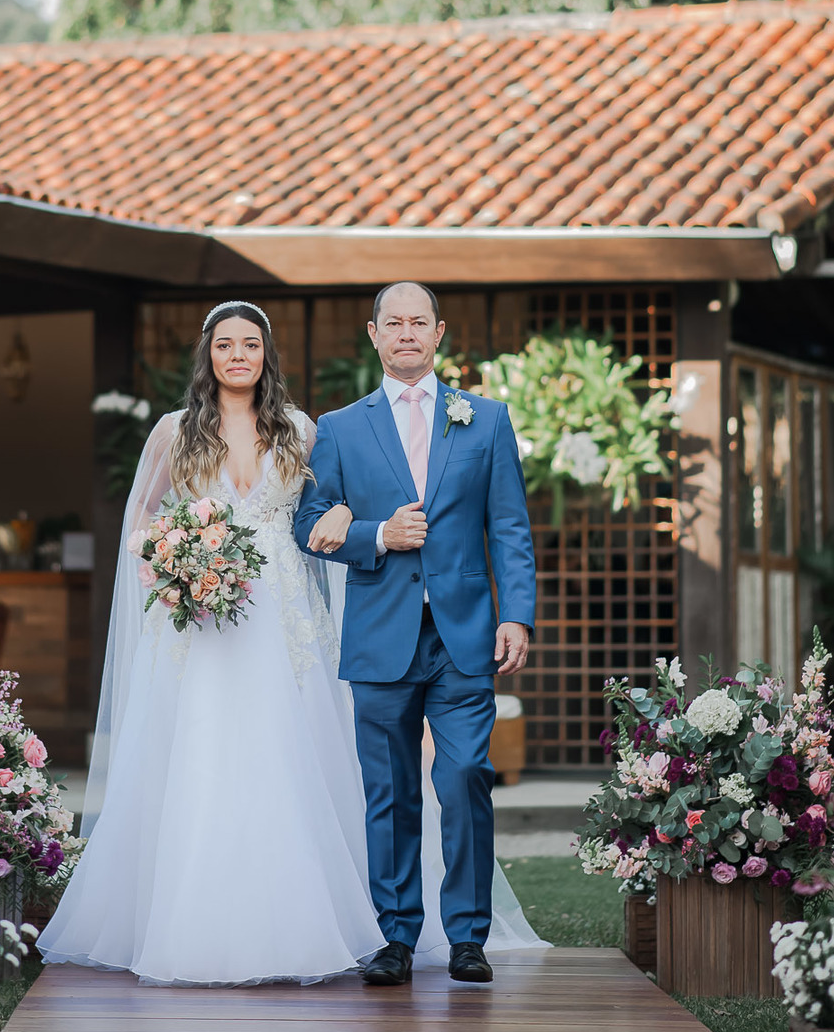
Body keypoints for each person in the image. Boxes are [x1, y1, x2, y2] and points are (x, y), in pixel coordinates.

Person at [37, 298, 542, 986]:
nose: (238, 355)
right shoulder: (176, 433)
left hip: (287, 624)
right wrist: (176, 556)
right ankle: (225, 924)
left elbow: (322, 513)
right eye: (225, 344)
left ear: (266, 354)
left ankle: (438, 934)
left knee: (358, 767)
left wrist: (356, 525)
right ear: (208, 354)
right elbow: (144, 521)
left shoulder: (302, 430)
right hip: (206, 627)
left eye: (250, 343)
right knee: (215, 763)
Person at [295, 282, 536, 987]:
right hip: (379, 634)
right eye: (393, 322)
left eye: (418, 322)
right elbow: (308, 523)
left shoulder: (486, 419)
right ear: (373, 334)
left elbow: (509, 526)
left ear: (439, 332)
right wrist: (378, 535)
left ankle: (467, 937)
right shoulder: (340, 427)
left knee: (463, 779)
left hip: (465, 636)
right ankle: (396, 936)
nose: (406, 332)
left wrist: (516, 613)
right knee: (390, 790)